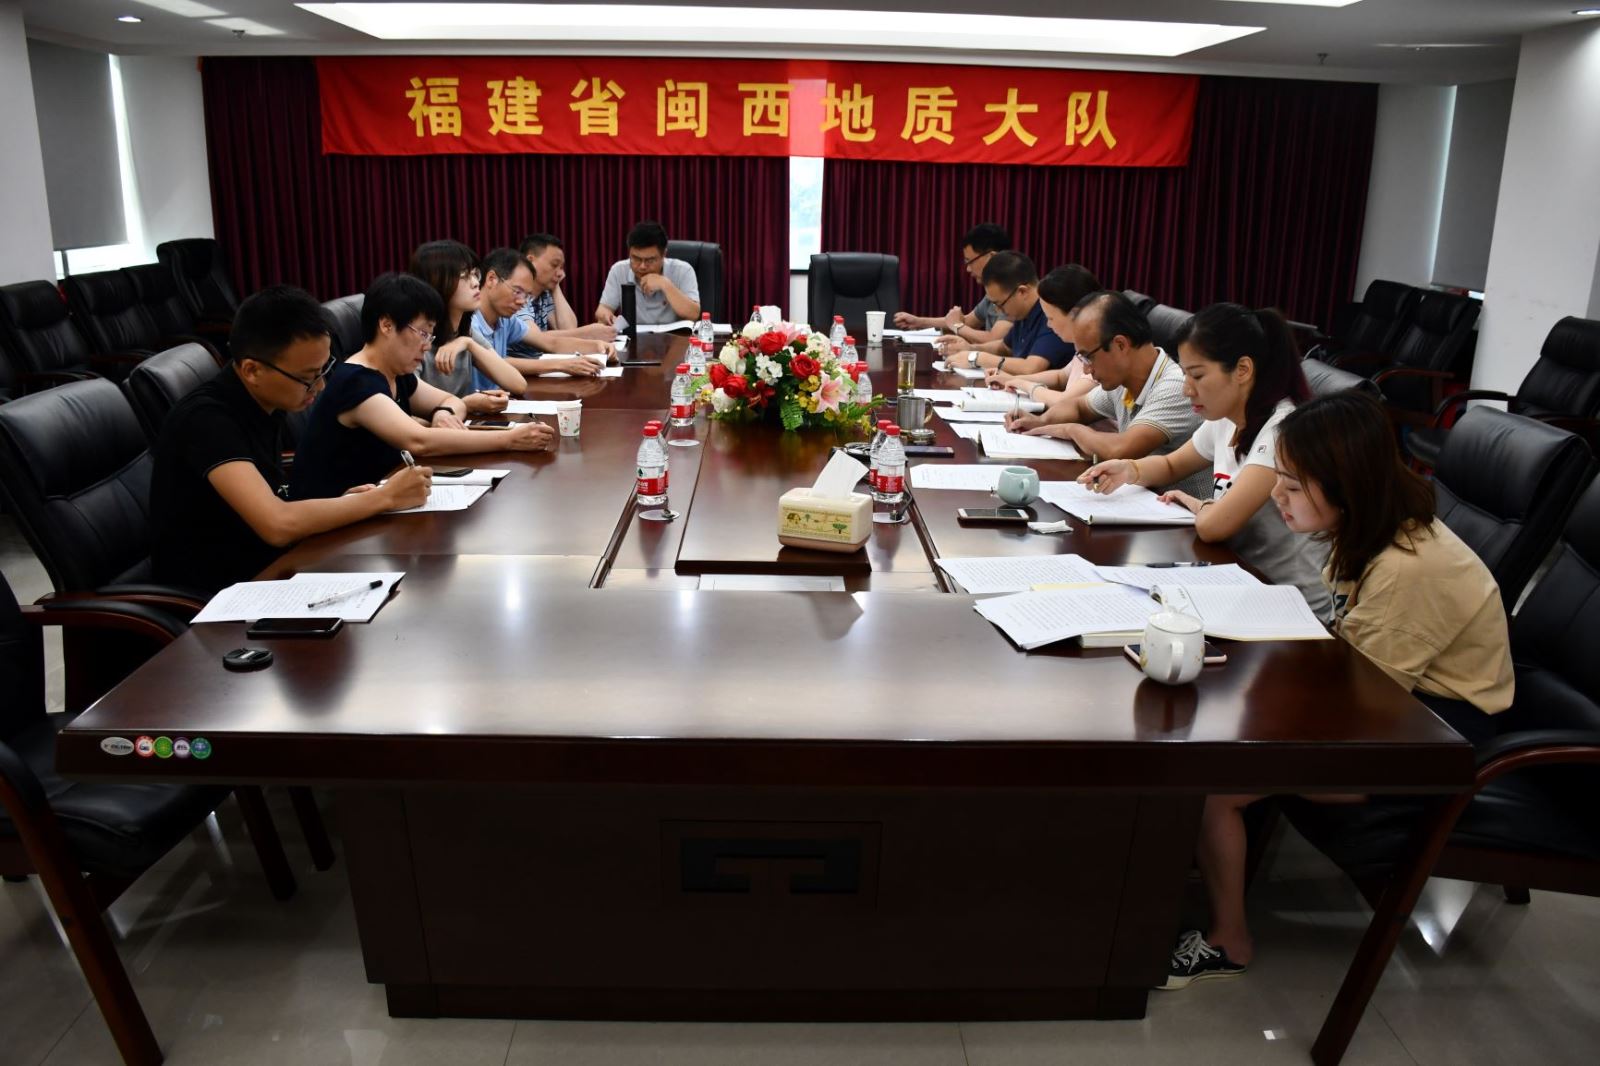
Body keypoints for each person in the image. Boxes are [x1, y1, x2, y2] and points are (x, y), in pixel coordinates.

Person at [1165, 389, 1514, 990]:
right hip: (1396, 696)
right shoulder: (1369, 528)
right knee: (1227, 712)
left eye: (1292, 486)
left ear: (1346, 484)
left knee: (1217, 784)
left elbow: (1362, 709)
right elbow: (1349, 650)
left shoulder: (1407, 568)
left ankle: (1228, 941)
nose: (1277, 496)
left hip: (1441, 736)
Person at [150, 286, 432, 593]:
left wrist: (345, 503)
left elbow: (278, 501)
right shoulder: (206, 420)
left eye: (324, 370)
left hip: (275, 565)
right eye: (308, 377)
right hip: (221, 593)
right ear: (252, 370)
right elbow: (277, 525)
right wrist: (384, 497)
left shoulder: (265, 402)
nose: (320, 387)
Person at [1077, 303, 1332, 619]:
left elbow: (1213, 527)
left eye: (1197, 375)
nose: (1187, 389)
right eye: (1185, 374)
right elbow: (1172, 465)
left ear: (1242, 370)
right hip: (1239, 578)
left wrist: (1200, 505)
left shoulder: (1281, 429)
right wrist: (1130, 469)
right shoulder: (1226, 418)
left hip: (1288, 602)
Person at [288, 273, 554, 500]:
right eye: (423, 333)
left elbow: (451, 401)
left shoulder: (396, 373)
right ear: (386, 325)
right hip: (333, 516)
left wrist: (442, 413)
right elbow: (419, 441)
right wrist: (510, 439)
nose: (427, 346)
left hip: (379, 498)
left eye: (431, 335)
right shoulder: (356, 382)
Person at [1003, 291, 1209, 497]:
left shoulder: (1174, 386)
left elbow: (1119, 450)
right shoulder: (1124, 381)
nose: (1086, 369)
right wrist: (1040, 421)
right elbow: (1079, 407)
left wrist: (1070, 429)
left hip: (1183, 511)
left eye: (1088, 357)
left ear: (1120, 345)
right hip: (1143, 499)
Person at [407, 239, 525, 406]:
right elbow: (411, 407)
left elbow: (518, 384)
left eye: (475, 274)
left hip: (459, 419)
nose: (476, 283)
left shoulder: (465, 333)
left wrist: (468, 343)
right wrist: (466, 404)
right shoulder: (416, 338)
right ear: (437, 283)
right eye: (464, 276)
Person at [470, 248, 604, 380]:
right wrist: (561, 365)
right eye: (517, 291)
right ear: (491, 279)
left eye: (527, 295)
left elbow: (549, 343)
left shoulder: (506, 320)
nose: (522, 302)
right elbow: (497, 362)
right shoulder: (469, 321)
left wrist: (598, 347)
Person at [983, 264, 1103, 405]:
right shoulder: (1082, 349)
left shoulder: (1100, 355)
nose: (1048, 325)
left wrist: (1024, 385)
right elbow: (1060, 376)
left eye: (1050, 318)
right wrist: (1012, 379)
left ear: (1075, 314)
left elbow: (1064, 402)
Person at [938, 252, 1074, 374]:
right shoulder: (1023, 313)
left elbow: (1031, 367)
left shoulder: (1052, 313)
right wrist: (970, 348)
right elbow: (1004, 347)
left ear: (1022, 292)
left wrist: (977, 358)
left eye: (999, 304)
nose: (998, 311)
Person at [893, 222, 1015, 348]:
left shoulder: (1013, 289)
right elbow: (969, 322)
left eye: (970, 261)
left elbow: (995, 340)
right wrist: (919, 322)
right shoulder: (995, 289)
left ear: (992, 257)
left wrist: (958, 326)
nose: (968, 269)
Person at [510, 233, 616, 348]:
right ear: (530, 261)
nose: (561, 274)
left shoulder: (544, 293)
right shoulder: (516, 293)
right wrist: (588, 333)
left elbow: (569, 328)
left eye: (561, 267)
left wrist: (555, 287)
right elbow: (535, 337)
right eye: (554, 265)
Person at [593, 220, 701, 328]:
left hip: (674, 337)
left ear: (664, 254)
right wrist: (606, 315)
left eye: (650, 260)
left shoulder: (683, 270)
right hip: (633, 336)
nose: (642, 266)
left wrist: (665, 284)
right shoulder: (619, 270)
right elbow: (603, 309)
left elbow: (693, 314)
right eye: (636, 258)